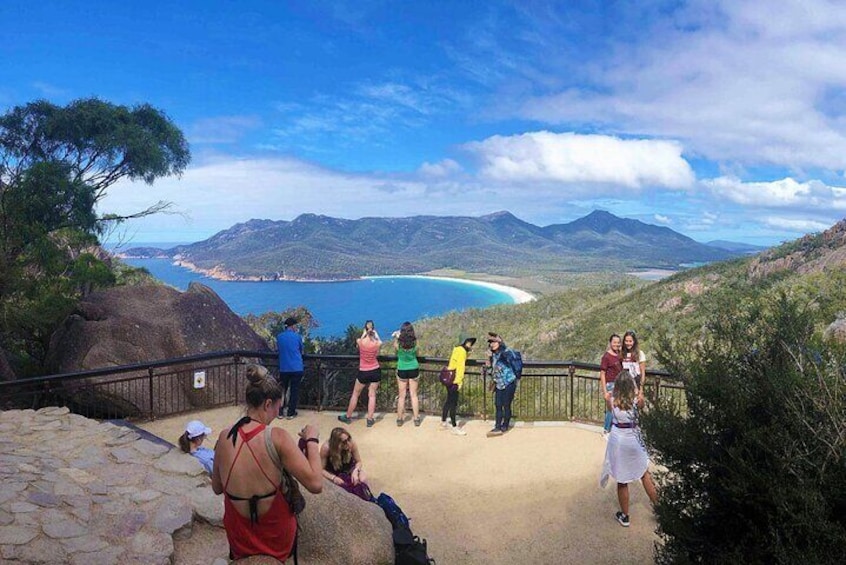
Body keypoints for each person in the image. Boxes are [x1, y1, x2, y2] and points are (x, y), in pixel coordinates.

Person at [211, 364, 323, 562]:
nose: (277, 411)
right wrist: (312, 440)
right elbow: (315, 484)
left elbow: (217, 488)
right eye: (278, 406)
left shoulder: (223, 436)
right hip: (274, 540)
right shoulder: (277, 437)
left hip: (239, 539)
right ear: (267, 403)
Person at [599, 372, 658, 527]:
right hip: (634, 438)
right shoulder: (637, 401)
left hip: (618, 439)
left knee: (622, 479)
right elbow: (642, 405)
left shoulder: (611, 400)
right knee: (645, 474)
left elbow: (610, 413)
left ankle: (625, 516)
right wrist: (638, 391)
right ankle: (660, 510)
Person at [338, 320, 382, 427]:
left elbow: (358, 341)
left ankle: (348, 416)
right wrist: (375, 335)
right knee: (372, 395)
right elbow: (380, 342)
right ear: (374, 331)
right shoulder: (376, 343)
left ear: (365, 330)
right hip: (375, 370)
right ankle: (370, 419)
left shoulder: (360, 342)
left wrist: (363, 335)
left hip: (363, 371)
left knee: (355, 394)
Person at [320, 427, 372, 501]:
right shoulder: (326, 448)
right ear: (336, 443)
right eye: (344, 442)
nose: (348, 443)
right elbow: (320, 469)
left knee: (363, 480)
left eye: (348, 439)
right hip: (334, 472)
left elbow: (358, 461)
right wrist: (333, 478)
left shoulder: (351, 443)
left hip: (350, 469)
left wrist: (356, 471)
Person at [441, 334, 476, 436]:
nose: (471, 346)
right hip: (454, 380)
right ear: (467, 343)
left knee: (448, 401)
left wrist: (468, 354)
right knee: (453, 404)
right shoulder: (462, 352)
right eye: (471, 344)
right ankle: (454, 427)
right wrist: (459, 382)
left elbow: (456, 361)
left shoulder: (457, 349)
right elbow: (460, 367)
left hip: (449, 378)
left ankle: (443, 421)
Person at [485, 333, 519, 437]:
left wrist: (502, 342)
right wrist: (488, 362)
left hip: (509, 383)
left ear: (499, 342)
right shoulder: (493, 355)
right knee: (498, 405)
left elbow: (508, 355)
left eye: (494, 342)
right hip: (499, 383)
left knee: (506, 405)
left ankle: (505, 425)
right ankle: (497, 426)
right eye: (490, 342)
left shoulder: (505, 352)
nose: (492, 344)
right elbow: (492, 369)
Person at [393, 321, 421, 427]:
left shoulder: (399, 344)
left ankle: (399, 419)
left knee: (401, 396)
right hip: (413, 367)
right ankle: (416, 418)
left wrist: (396, 337)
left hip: (402, 369)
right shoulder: (415, 343)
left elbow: (396, 352)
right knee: (414, 395)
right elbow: (417, 353)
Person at [276, 316, 305, 420]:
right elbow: (302, 350)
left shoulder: (279, 337)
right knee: (294, 391)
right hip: (296, 368)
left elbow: (278, 349)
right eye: (295, 326)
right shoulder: (297, 337)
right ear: (292, 326)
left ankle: (279, 411)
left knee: (282, 390)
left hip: (284, 368)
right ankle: (290, 413)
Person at [599, 334, 623, 434]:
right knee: (611, 407)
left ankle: (613, 429)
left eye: (618, 342)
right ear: (610, 343)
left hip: (619, 384)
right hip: (611, 385)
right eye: (614, 342)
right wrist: (605, 391)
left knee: (618, 407)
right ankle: (607, 429)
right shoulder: (606, 357)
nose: (616, 344)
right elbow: (602, 373)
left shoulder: (620, 355)